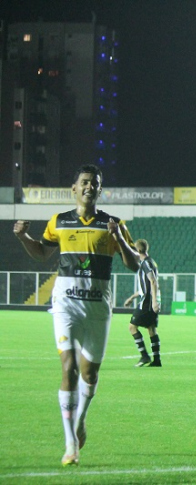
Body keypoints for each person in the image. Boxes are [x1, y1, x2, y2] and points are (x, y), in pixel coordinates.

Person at [13, 164, 138, 467]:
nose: (89, 187)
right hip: (65, 305)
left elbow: (134, 265)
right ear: (74, 188)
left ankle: (80, 420)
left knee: (89, 374)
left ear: (99, 189)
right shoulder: (59, 221)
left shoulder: (114, 224)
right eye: (84, 182)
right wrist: (23, 238)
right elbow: (43, 254)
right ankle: (71, 444)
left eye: (95, 183)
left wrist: (119, 238)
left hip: (98, 308)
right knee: (68, 368)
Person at [123, 239, 162, 367]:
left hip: (148, 301)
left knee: (132, 327)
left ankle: (144, 356)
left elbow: (153, 281)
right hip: (150, 299)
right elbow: (145, 285)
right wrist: (132, 297)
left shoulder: (145, 263)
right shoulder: (151, 262)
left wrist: (154, 301)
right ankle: (156, 360)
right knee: (151, 328)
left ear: (137, 250)